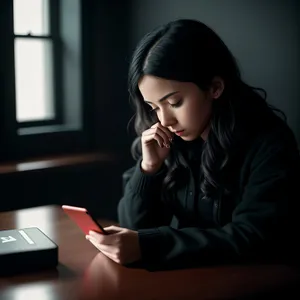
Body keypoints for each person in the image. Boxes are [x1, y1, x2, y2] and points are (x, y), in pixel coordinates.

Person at [86, 19, 300, 271]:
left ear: (215, 87)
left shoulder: (270, 143)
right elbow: (134, 228)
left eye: (175, 102)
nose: (164, 119)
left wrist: (152, 245)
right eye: (154, 107)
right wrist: (148, 169)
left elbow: (252, 237)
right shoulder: (168, 139)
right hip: (193, 281)